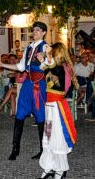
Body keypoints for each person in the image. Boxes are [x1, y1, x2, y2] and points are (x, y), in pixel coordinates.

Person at [0, 21, 49, 160]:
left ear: (44, 32)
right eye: (34, 30)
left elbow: (51, 62)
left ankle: (43, 150)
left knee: (40, 116)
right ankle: (15, 148)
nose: (35, 32)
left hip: (39, 85)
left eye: (38, 30)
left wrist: (45, 58)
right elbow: (20, 67)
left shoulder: (46, 47)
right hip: (27, 85)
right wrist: (2, 64)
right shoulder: (28, 48)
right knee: (19, 115)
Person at [37, 42, 78, 179]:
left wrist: (47, 58)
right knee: (48, 136)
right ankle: (49, 166)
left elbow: (54, 70)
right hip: (50, 106)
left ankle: (60, 169)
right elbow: (47, 69)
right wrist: (44, 60)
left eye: (52, 53)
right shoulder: (54, 67)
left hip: (57, 107)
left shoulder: (63, 68)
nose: (50, 55)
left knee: (58, 137)